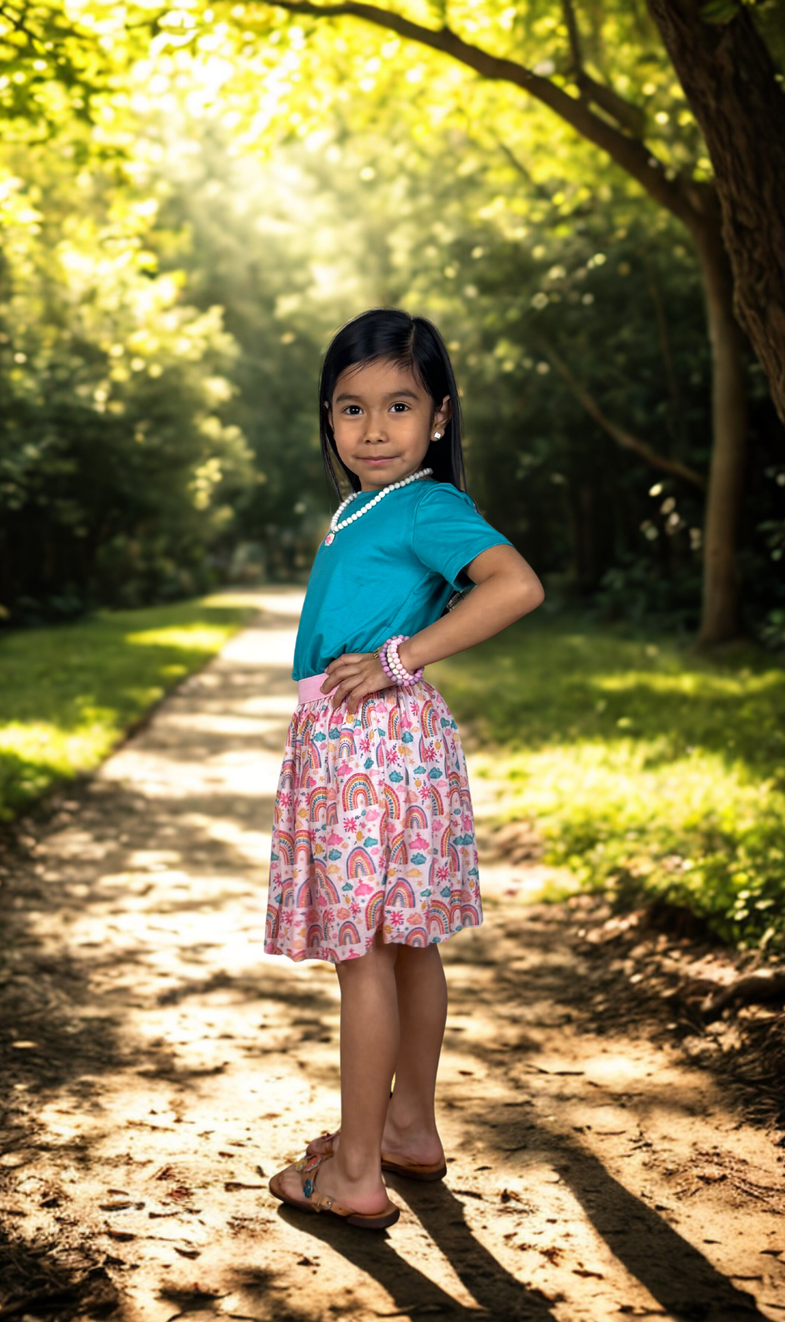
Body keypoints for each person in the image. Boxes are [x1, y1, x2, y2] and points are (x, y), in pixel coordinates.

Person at [266, 308, 544, 1230]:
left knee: (366, 958)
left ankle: (353, 1169)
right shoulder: (361, 508)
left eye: (398, 405)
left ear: (439, 415)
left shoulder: (427, 504)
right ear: (329, 418)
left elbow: (516, 585)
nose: (373, 429)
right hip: (378, 742)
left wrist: (399, 658)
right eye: (350, 409)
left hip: (369, 743)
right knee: (408, 941)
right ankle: (409, 1127)